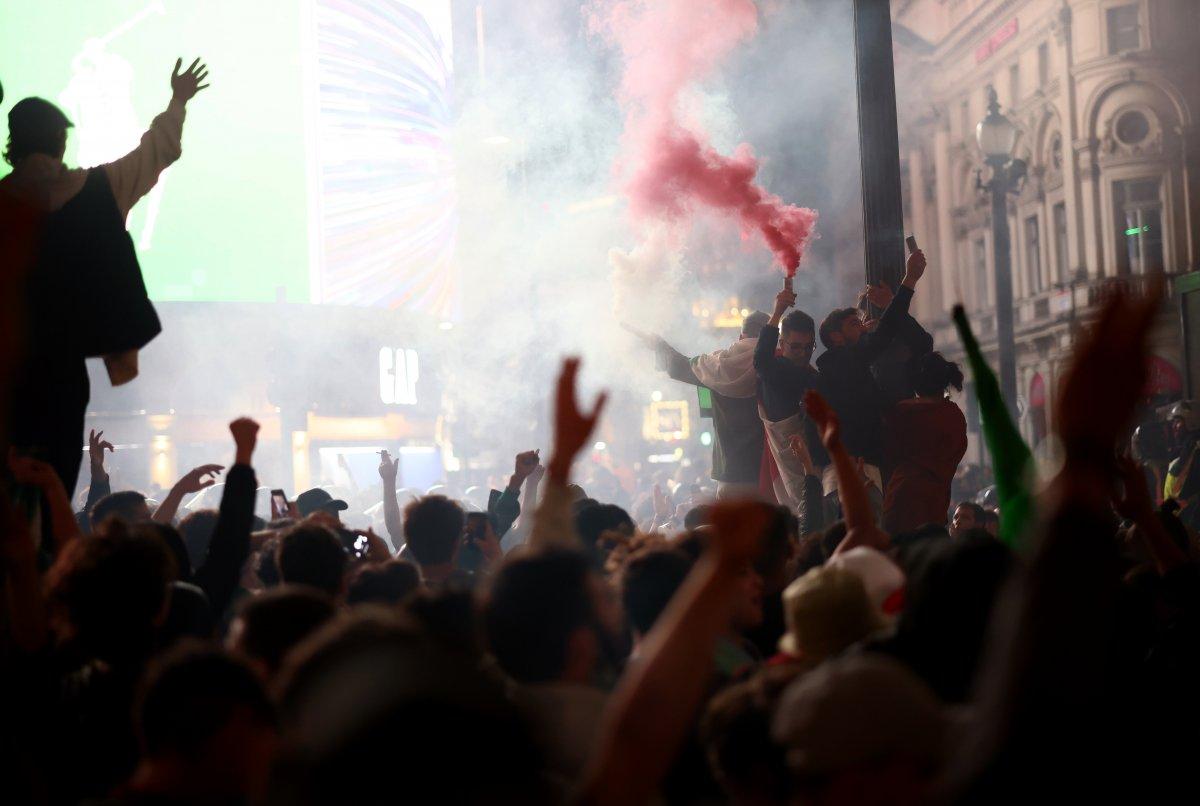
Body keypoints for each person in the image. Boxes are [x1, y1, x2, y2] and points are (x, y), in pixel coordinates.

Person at [2, 58, 209, 496]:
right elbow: (156, 151)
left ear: (12, 144)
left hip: (8, 365)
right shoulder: (100, 188)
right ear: (61, 142)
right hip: (64, 372)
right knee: (53, 487)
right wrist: (178, 100)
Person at [814, 248, 927, 515]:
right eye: (855, 324)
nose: (864, 327)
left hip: (858, 462)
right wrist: (908, 281)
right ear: (836, 337)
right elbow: (883, 334)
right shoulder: (845, 362)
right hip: (858, 467)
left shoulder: (840, 364)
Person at [636, 313, 768, 498]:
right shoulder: (776, 365)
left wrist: (659, 344)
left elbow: (679, 365)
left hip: (730, 476)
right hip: (768, 476)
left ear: (740, 336)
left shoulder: (715, 367)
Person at [882, 351, 968, 534]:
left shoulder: (902, 412)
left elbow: (888, 454)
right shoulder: (954, 416)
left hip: (901, 500)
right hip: (936, 504)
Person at [753, 291, 824, 514]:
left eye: (809, 347)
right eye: (796, 347)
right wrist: (777, 313)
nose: (803, 353)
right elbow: (761, 361)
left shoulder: (810, 375)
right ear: (782, 344)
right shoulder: (777, 371)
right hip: (796, 467)